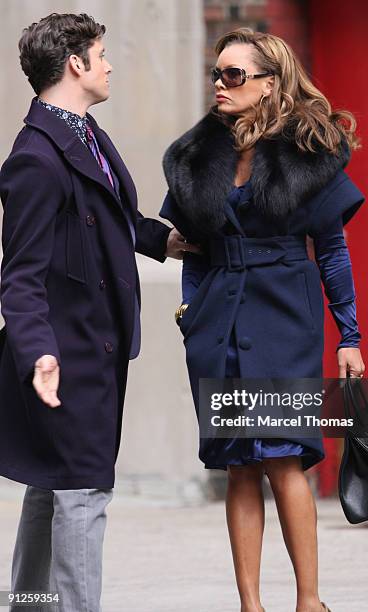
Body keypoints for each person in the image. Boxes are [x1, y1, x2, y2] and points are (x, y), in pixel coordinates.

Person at [160, 28, 366, 612]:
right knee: (238, 464)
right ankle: (250, 604)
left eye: (234, 75)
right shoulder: (197, 156)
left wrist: (350, 334)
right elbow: (193, 250)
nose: (220, 86)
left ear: (269, 83)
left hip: (283, 314)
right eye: (216, 75)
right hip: (218, 319)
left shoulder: (307, 153)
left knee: (282, 456)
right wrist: (189, 315)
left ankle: (309, 601)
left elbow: (331, 249)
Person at [0, 13, 198, 612]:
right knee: (83, 494)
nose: (110, 65)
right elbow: (18, 276)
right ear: (75, 65)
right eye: (102, 54)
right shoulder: (37, 159)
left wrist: (162, 241)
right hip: (65, 355)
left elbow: (111, 217)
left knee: (49, 486)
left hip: (94, 345)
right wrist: (38, 354)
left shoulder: (86, 134)